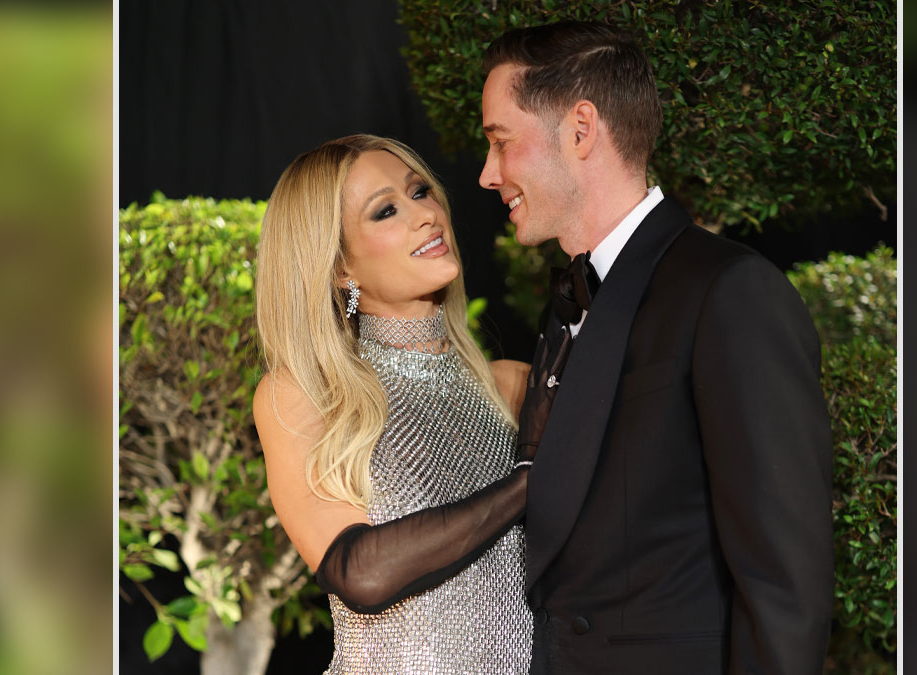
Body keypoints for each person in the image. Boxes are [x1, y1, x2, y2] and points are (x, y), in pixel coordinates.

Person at [478, 22, 835, 674]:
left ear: (580, 130)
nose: (486, 173)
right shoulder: (566, 301)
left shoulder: (730, 291)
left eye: (500, 142)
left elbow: (785, 586)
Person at [251, 134, 570, 674]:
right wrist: (529, 479)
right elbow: (362, 575)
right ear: (339, 270)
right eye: (386, 211)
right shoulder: (308, 393)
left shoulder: (512, 388)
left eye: (420, 191)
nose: (425, 215)